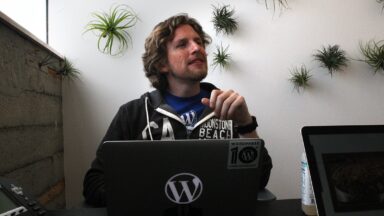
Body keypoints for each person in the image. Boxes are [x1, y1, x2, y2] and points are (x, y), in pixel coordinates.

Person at [83, 13, 273, 207]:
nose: (197, 48)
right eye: (182, 44)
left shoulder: (228, 107)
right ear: (161, 63)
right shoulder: (133, 114)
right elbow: (94, 184)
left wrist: (245, 124)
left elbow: (259, 180)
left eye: (199, 42)